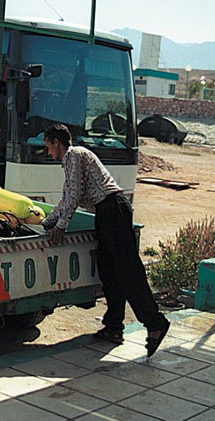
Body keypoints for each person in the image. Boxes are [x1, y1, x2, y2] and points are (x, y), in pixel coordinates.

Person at [40, 124, 170, 356]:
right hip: (105, 213)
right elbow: (65, 198)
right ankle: (113, 326)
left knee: (128, 271)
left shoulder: (75, 155)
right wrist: (46, 223)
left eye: (49, 147)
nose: (49, 153)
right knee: (109, 272)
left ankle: (155, 323)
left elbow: (75, 195)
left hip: (113, 210)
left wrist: (60, 226)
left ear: (56, 143)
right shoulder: (69, 161)